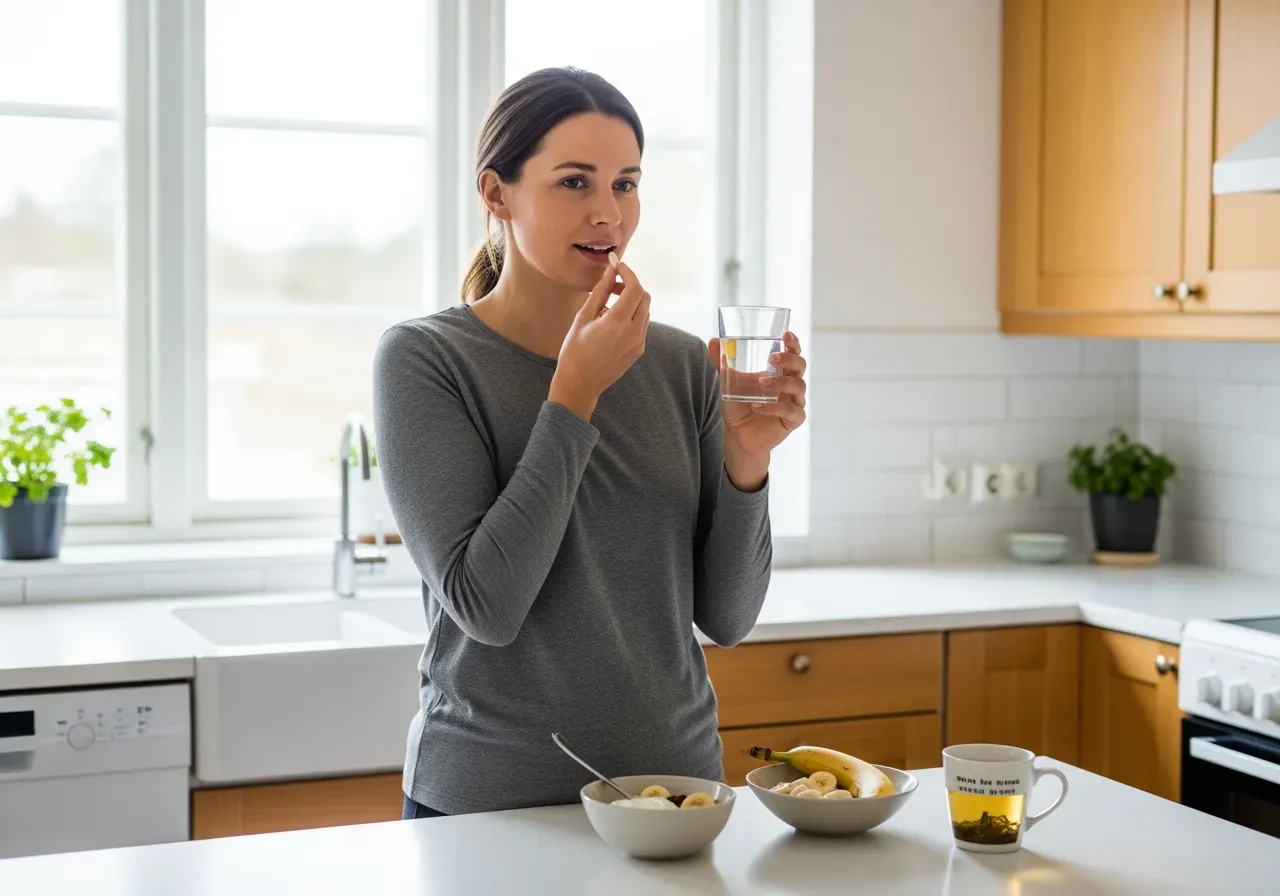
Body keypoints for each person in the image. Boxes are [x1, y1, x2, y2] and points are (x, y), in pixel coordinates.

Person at [372, 66, 808, 820]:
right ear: (496, 193)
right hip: (490, 808)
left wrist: (748, 461)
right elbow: (487, 607)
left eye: (625, 184)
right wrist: (573, 396)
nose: (608, 214)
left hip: (676, 793)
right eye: (574, 182)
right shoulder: (426, 359)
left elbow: (729, 619)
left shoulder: (681, 364)